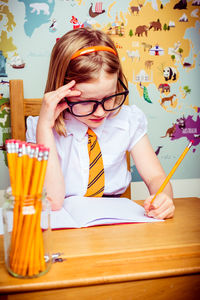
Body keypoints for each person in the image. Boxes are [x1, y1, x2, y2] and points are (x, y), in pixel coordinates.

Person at [26, 28, 175, 219]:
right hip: (62, 224)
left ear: (118, 84)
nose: (101, 111)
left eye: (110, 97)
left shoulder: (128, 120)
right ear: (61, 90)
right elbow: (52, 200)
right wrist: (45, 129)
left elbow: (156, 178)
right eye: (86, 101)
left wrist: (164, 197)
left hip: (116, 222)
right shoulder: (40, 129)